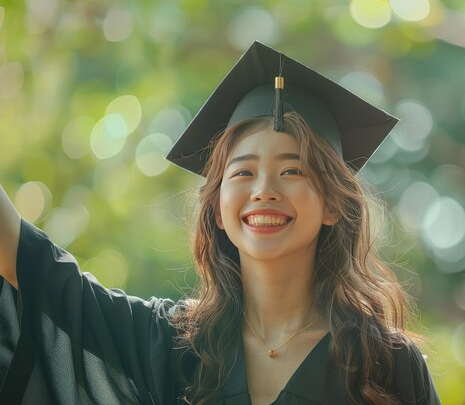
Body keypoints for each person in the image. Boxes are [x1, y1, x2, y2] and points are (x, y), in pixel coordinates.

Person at [0, 42, 440, 405]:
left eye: (292, 171)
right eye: (243, 173)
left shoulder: (385, 364)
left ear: (332, 205)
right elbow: (29, 263)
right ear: (217, 209)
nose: (264, 190)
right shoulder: (170, 344)